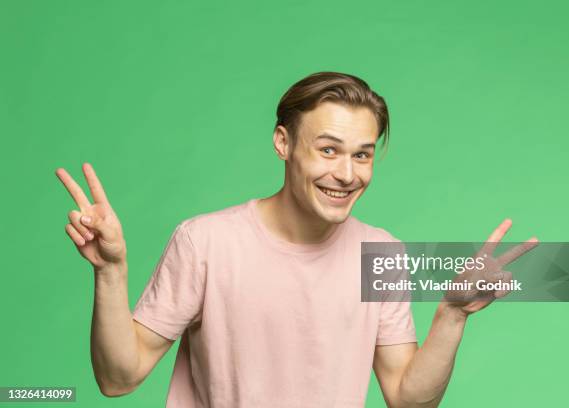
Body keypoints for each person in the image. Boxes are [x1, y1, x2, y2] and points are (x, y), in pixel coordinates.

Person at [55, 72, 538, 408]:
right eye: (328, 150)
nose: (346, 174)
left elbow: (407, 398)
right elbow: (118, 378)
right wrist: (110, 271)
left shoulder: (381, 253)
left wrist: (452, 315)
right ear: (283, 143)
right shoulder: (205, 242)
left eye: (363, 155)